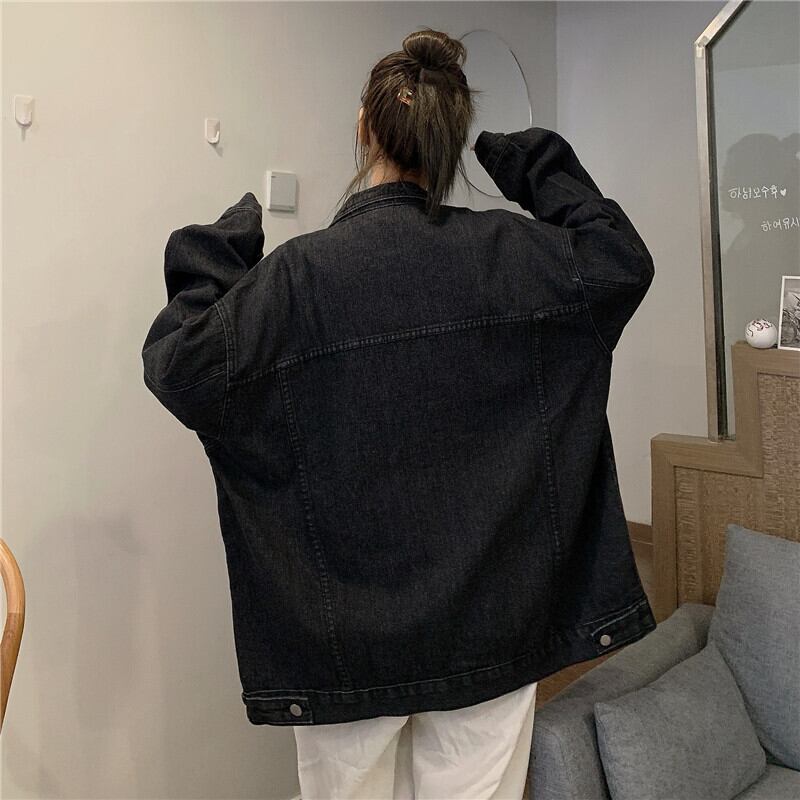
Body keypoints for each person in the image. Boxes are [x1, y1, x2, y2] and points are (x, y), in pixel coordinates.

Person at [142, 26, 657, 800]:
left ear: (365, 127)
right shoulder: (517, 257)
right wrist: (534, 163)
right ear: (450, 138)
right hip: (495, 620)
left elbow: (179, 364)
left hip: (343, 642)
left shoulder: (295, 280)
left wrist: (214, 253)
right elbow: (620, 258)